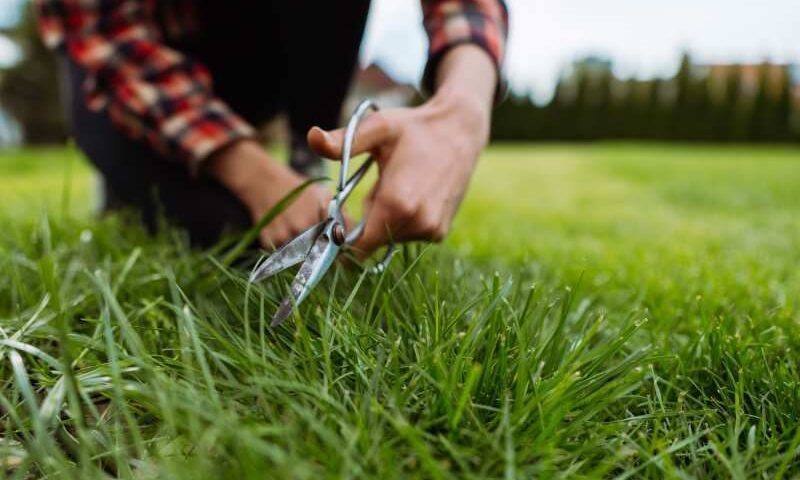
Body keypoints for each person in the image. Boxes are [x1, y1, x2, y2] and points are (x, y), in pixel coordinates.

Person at [36, 0, 508, 258]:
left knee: (249, 241)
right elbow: (104, 35)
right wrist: (255, 178)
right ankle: (126, 183)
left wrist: (462, 108)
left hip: (263, 57)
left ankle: (311, 168)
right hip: (123, 76)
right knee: (221, 233)